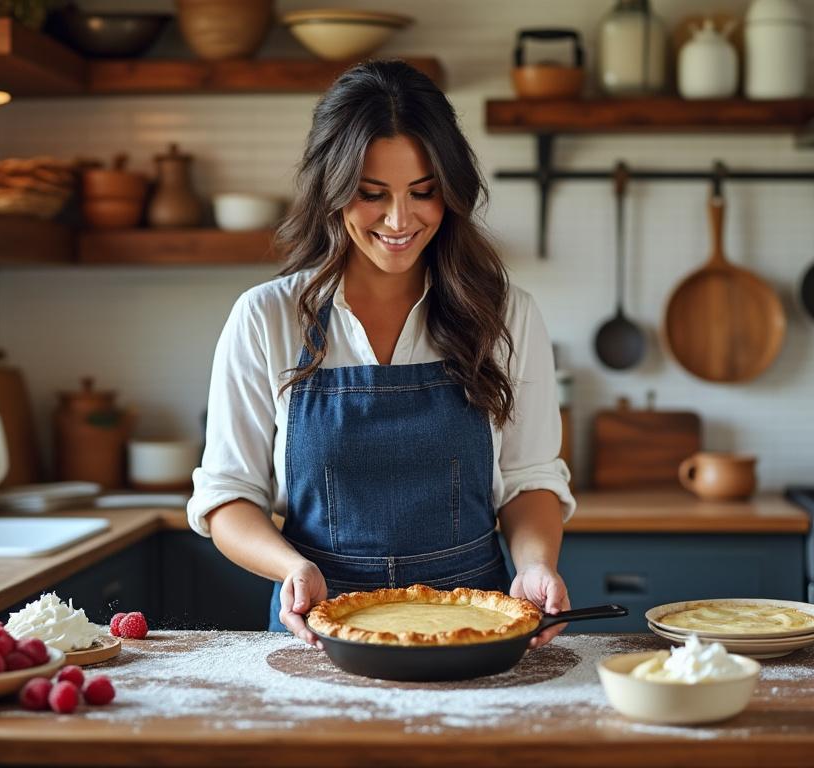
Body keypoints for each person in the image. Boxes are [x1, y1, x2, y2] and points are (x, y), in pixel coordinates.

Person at [186, 60, 574, 648]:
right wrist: (291, 570)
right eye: (372, 195)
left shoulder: (506, 314)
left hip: (476, 627)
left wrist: (537, 565)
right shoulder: (267, 318)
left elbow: (529, 479)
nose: (399, 220)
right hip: (319, 629)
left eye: (424, 193)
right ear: (332, 191)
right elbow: (228, 496)